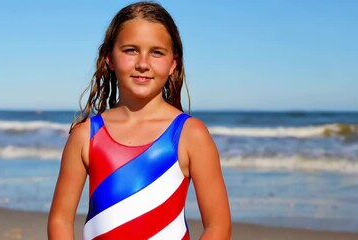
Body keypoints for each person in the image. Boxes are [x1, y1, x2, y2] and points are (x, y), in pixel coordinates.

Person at [47, 1, 231, 239]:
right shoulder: (85, 136)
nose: (143, 64)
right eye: (131, 50)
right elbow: (60, 220)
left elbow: (218, 227)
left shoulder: (190, 134)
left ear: (173, 63)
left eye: (156, 52)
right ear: (109, 58)